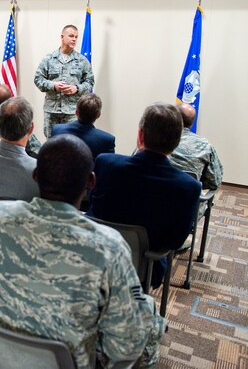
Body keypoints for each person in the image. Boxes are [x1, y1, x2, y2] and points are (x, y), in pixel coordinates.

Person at [0, 134, 165, 369]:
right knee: (150, 320)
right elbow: (124, 347)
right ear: (91, 182)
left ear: (35, 175)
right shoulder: (108, 246)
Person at [88, 103, 201, 286]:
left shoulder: (106, 164)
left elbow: (93, 204)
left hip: (96, 257)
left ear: (140, 135)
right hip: (145, 270)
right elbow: (176, 241)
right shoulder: (188, 187)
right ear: (176, 143)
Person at [34, 25, 94, 138]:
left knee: (72, 144)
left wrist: (77, 88)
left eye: (76, 37)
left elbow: (90, 82)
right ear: (62, 37)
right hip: (52, 111)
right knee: (51, 144)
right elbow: (38, 79)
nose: (74, 39)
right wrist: (53, 85)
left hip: (72, 112)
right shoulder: (49, 58)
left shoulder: (82, 60)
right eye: (71, 36)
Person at [169, 103, 223, 190]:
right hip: (189, 201)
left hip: (151, 200)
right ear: (192, 122)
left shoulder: (153, 140)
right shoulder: (204, 145)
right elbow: (215, 181)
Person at [51, 93, 115, 159]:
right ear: (98, 115)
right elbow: (107, 166)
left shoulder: (57, 130)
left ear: (76, 112)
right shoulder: (107, 140)